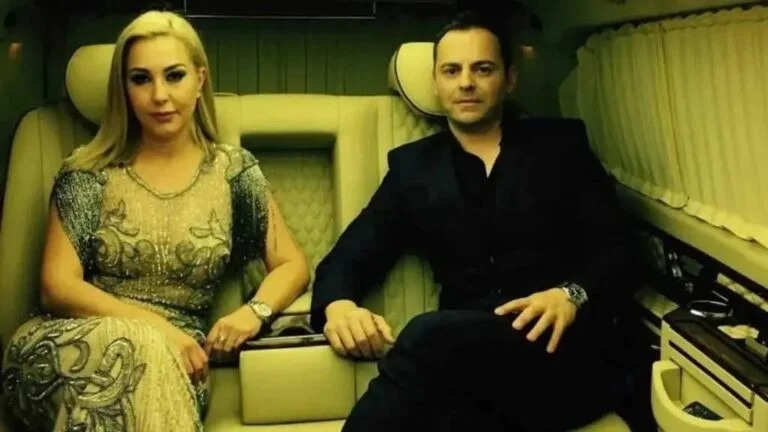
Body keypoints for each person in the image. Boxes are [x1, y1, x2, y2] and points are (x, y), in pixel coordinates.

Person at [310, 9, 636, 432]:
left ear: (509, 79)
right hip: (470, 363)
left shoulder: (560, 147)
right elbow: (349, 257)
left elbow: (620, 249)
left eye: (482, 69)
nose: (466, 82)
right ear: (436, 82)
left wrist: (570, 295)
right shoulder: (413, 170)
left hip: (560, 354)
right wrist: (339, 307)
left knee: (427, 335)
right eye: (452, 70)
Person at [0, 10, 310, 432]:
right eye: (141, 79)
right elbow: (57, 286)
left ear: (200, 80)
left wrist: (253, 312)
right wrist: (156, 329)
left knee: (146, 373)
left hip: (179, 362)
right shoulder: (89, 171)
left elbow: (292, 264)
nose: (159, 95)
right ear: (124, 89)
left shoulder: (233, 172)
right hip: (70, 345)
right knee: (139, 349)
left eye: (174, 76)